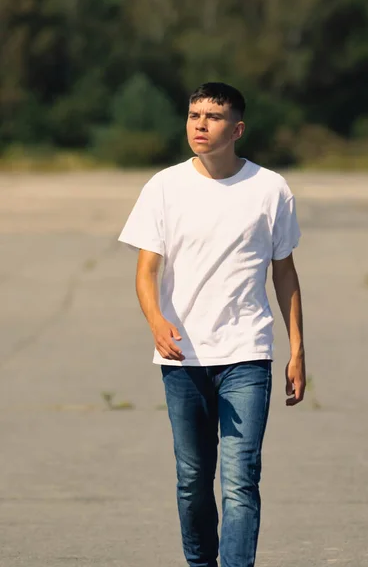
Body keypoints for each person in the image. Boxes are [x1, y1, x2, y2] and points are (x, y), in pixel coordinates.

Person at [118, 82, 306, 567]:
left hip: (247, 352)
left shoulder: (270, 188)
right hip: (183, 356)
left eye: (213, 116)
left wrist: (297, 350)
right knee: (193, 480)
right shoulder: (164, 186)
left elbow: (284, 272)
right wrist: (156, 322)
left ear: (237, 128)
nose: (200, 124)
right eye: (193, 114)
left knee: (241, 479)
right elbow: (146, 270)